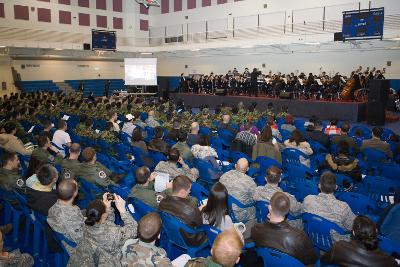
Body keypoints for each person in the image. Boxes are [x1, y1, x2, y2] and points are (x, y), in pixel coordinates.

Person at [67, 194, 138, 266]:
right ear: (103, 215)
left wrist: (107, 208)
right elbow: (134, 230)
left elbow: (107, 223)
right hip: (110, 260)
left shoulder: (85, 222)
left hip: (95, 256)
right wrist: (123, 211)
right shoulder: (114, 234)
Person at [251, 192, 318, 265]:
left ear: (269, 207)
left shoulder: (256, 229)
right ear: (287, 212)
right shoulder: (300, 237)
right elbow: (311, 260)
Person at [321, 216, 397, 267]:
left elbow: (323, 261)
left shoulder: (338, 247)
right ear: (376, 232)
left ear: (353, 232)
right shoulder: (389, 261)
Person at [159, 175, 206, 246]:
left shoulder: (162, 202)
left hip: (170, 232)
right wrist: (201, 211)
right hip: (188, 239)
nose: (190, 191)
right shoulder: (191, 211)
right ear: (182, 192)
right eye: (189, 190)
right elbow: (201, 224)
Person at [47, 180, 84, 252]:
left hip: (63, 241)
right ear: (75, 193)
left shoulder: (52, 208)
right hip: (74, 247)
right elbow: (79, 238)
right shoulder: (73, 215)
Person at [219, 158, 257, 223]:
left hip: (222, 208)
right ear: (247, 169)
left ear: (235, 165)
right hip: (239, 214)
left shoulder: (225, 175)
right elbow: (255, 198)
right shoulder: (250, 182)